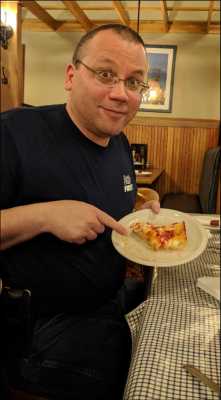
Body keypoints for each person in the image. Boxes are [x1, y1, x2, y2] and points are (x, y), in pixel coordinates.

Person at [0, 24, 160, 400]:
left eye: (134, 82)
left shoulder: (118, 142)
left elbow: (106, 198)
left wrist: (142, 202)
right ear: (71, 76)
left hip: (111, 298)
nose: (121, 93)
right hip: (36, 327)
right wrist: (44, 216)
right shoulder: (14, 132)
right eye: (105, 74)